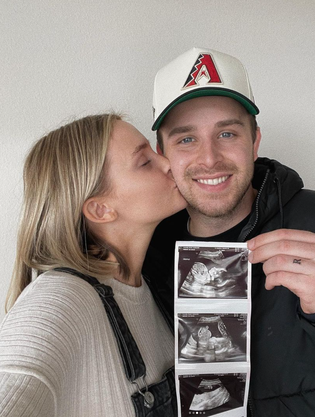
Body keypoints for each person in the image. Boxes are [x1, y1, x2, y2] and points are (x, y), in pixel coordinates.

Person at [143, 47, 315, 416]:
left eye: (227, 133)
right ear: (161, 152)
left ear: (255, 140)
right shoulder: (144, 259)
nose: (210, 158)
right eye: (186, 139)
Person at [0, 114, 187, 417]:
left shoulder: (151, 283)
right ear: (101, 209)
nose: (169, 163)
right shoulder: (60, 298)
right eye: (145, 162)